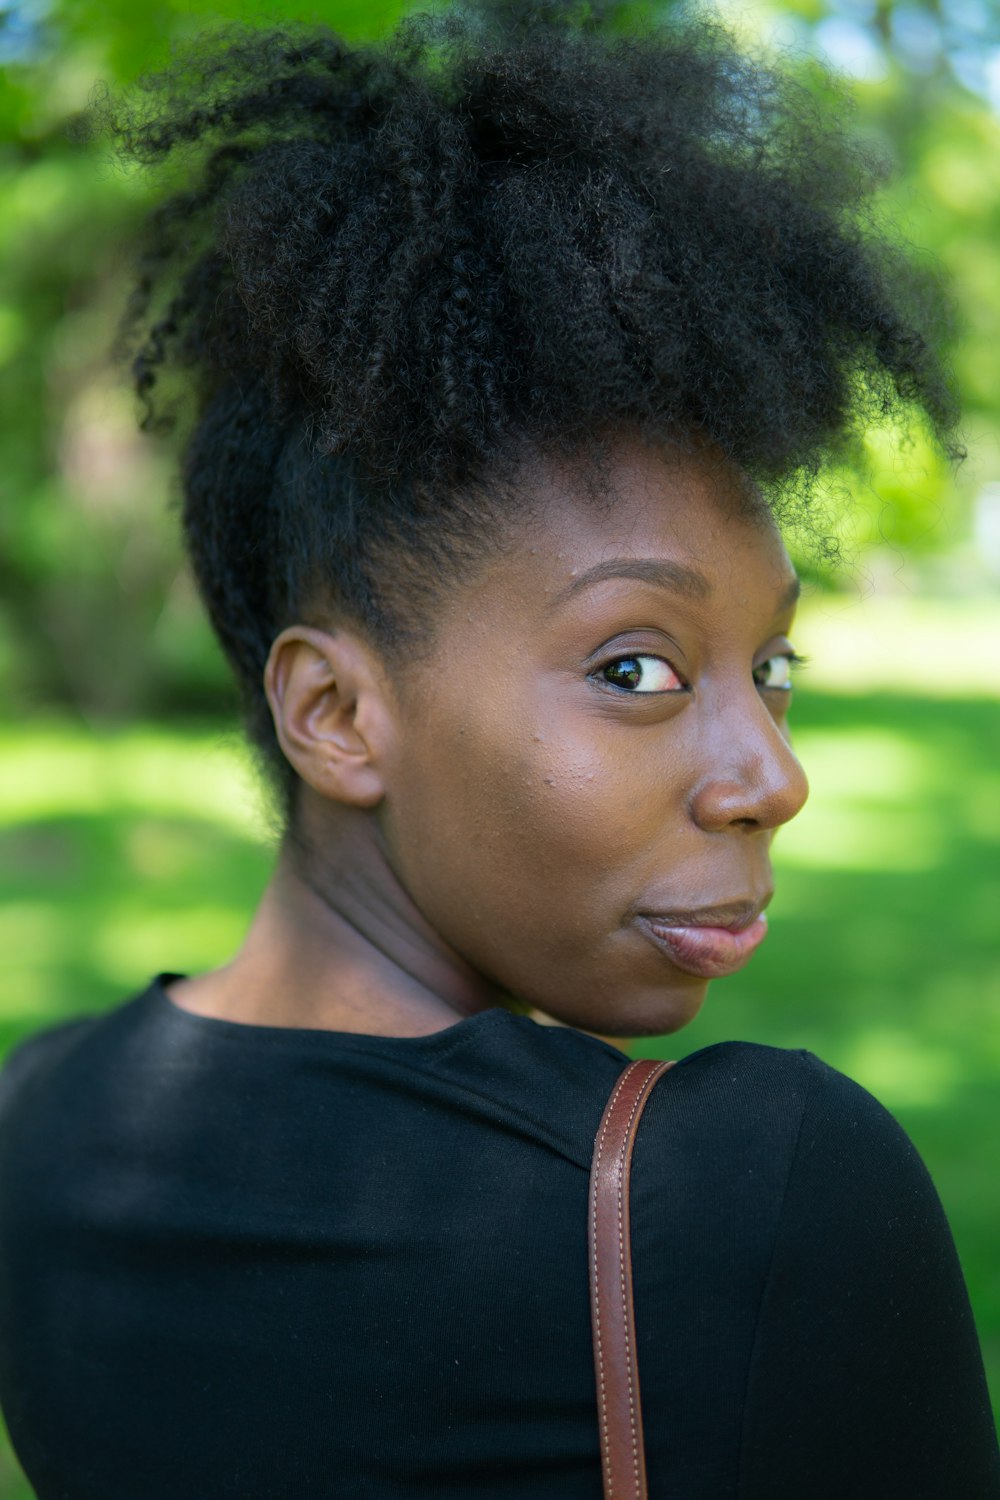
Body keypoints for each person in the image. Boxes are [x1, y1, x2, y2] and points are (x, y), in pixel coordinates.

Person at [0, 4, 997, 1496]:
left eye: (771, 666)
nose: (775, 779)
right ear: (336, 716)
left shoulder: (39, 1115)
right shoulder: (755, 1199)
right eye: (638, 666)